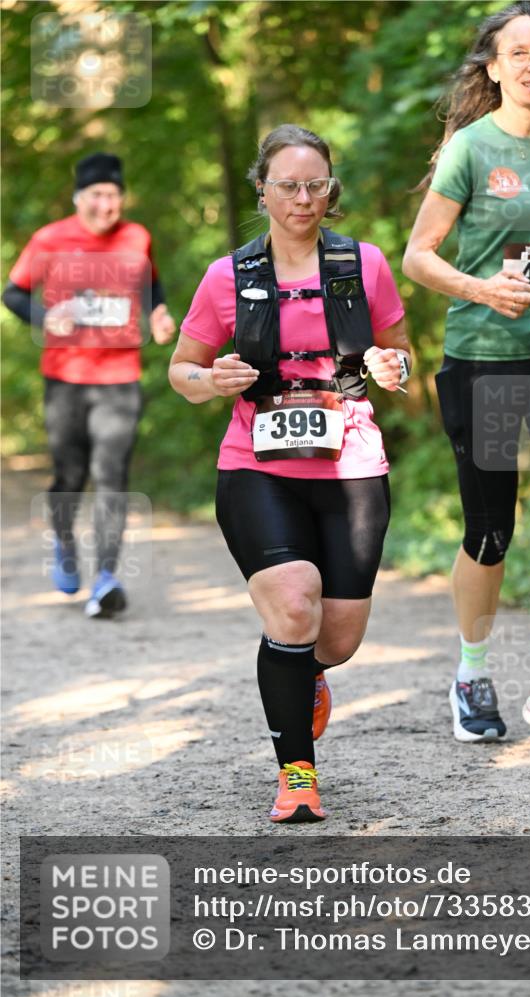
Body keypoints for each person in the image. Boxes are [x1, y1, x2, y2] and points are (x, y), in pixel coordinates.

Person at [169, 124, 410, 822]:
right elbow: (181, 371)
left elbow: (398, 352)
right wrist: (210, 380)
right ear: (262, 190)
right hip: (255, 465)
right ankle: (296, 774)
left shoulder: (363, 266)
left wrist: (392, 368)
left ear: (329, 189)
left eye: (315, 185)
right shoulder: (227, 277)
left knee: (333, 638)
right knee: (294, 600)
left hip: (351, 463)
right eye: (287, 185)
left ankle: (300, 671)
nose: (303, 198)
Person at [402, 1, 530, 750]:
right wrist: (481, 289)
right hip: (484, 361)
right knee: (491, 532)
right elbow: (418, 256)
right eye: (518, 52)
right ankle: (470, 674)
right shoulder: (468, 149)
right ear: (492, 66)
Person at [2, 152, 176, 618]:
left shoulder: (137, 237)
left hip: (120, 377)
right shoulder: (50, 239)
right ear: (80, 197)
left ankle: (105, 579)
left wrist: (158, 315)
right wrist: (45, 316)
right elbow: (13, 292)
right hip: (65, 379)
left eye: (114, 196)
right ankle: (63, 543)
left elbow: (153, 286)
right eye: (98, 195)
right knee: (70, 478)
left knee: (112, 475)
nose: (107, 205)